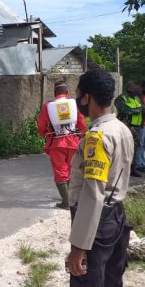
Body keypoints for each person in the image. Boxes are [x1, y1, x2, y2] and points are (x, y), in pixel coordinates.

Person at [66, 69, 133, 287]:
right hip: (116, 217)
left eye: (79, 94)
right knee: (112, 279)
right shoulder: (121, 129)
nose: (78, 100)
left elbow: (93, 194)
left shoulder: (97, 136)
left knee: (87, 281)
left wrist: (78, 247)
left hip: (97, 223)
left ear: (87, 97)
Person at [37, 81, 86, 209]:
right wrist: (82, 134)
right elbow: (81, 121)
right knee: (72, 171)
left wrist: (42, 134)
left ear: (54, 93)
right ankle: (73, 199)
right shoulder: (74, 104)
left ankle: (66, 202)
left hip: (56, 143)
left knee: (60, 172)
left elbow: (42, 124)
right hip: (73, 142)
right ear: (67, 93)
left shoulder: (48, 106)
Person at [114, 81, 144, 177]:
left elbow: (141, 107)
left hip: (137, 125)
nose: (136, 90)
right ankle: (121, 168)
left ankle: (132, 168)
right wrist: (134, 111)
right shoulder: (122, 98)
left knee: (135, 146)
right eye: (134, 88)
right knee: (124, 147)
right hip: (126, 125)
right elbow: (122, 109)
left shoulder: (136, 98)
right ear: (129, 88)